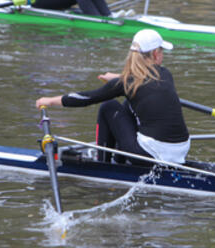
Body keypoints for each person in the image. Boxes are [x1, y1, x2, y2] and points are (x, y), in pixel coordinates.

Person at [35, 29, 190, 165]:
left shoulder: (125, 83)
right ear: (156, 55)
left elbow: (86, 98)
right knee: (129, 105)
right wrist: (117, 79)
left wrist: (49, 101)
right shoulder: (166, 74)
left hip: (150, 155)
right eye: (162, 51)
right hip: (180, 151)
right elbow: (141, 81)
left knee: (109, 107)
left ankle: (104, 163)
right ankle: (120, 159)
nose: (162, 55)